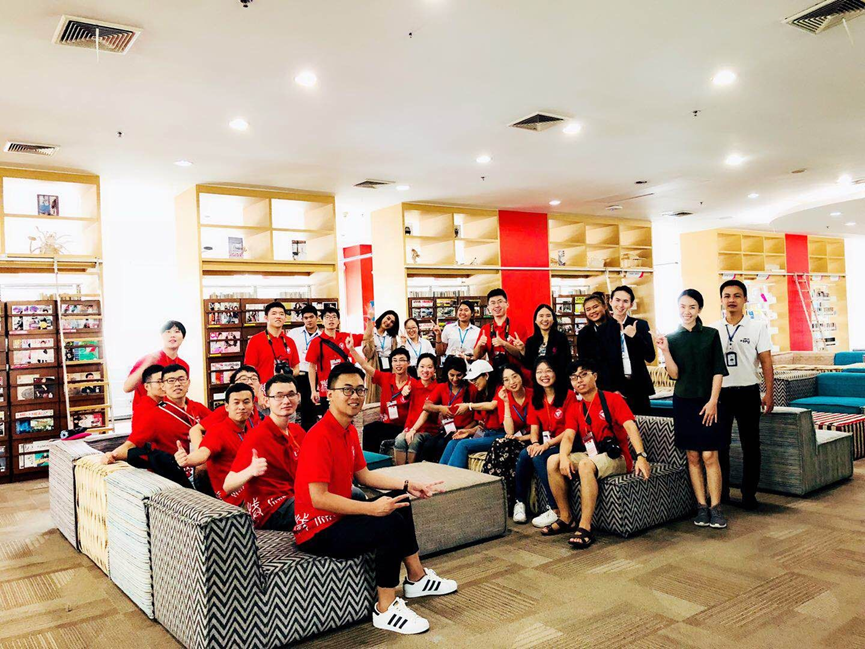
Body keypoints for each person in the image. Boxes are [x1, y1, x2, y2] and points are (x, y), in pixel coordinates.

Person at [293, 362, 457, 636]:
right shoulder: (319, 436)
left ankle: (416, 579)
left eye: (360, 390)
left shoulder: (347, 430)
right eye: (347, 390)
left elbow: (365, 476)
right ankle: (385, 608)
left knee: (400, 500)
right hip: (316, 530)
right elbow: (318, 499)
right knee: (388, 522)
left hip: (338, 518)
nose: (355, 396)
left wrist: (409, 484)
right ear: (329, 394)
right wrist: (370, 509)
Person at [544, 359, 651, 547]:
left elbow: (630, 427)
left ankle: (585, 526)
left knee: (585, 464)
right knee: (553, 460)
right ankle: (566, 517)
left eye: (583, 374)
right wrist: (563, 457)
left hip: (618, 457)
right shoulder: (576, 407)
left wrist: (641, 456)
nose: (579, 380)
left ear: (594, 376)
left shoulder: (612, 399)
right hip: (593, 455)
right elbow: (568, 436)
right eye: (574, 377)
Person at [656, 289, 729, 529]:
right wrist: (665, 350)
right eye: (683, 306)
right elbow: (675, 375)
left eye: (692, 307)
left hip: (708, 403)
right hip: (684, 402)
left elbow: (718, 370)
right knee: (693, 456)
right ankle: (701, 506)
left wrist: (713, 401)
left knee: (710, 455)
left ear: (699, 309)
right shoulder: (672, 338)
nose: (686, 312)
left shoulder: (711, 334)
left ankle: (716, 507)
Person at [710, 279, 774, 510]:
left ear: (745, 299)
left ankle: (749, 494)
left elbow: (766, 362)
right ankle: (723, 491)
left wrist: (769, 392)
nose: (732, 300)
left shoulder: (758, 327)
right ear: (721, 300)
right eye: (727, 296)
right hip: (721, 394)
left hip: (748, 392)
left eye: (737, 295)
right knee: (721, 445)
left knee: (751, 445)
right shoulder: (713, 329)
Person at [103, 364, 212, 487]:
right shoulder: (153, 415)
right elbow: (131, 443)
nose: (177, 384)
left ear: (188, 382)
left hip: (205, 468)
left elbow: (220, 427)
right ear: (163, 386)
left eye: (181, 379)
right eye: (171, 381)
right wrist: (112, 455)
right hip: (177, 475)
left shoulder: (198, 408)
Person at [221, 374, 307, 528]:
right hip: (271, 509)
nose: (286, 401)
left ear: (298, 397)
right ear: (267, 401)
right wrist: (251, 470)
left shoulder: (297, 431)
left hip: (295, 497)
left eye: (291, 395)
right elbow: (228, 485)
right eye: (279, 396)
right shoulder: (257, 436)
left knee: (347, 495)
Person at [513, 358, 577, 528]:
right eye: (539, 372)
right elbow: (534, 427)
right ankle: (520, 502)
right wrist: (534, 443)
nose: (544, 375)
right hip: (546, 444)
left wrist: (546, 445)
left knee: (539, 457)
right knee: (525, 453)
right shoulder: (536, 397)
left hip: (567, 443)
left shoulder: (568, 395)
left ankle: (555, 509)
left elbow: (570, 429)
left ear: (556, 372)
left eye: (548, 370)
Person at [174, 383, 256, 503]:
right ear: (227, 407)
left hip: (254, 488)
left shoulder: (252, 425)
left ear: (253, 405)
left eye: (246, 402)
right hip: (236, 499)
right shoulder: (218, 431)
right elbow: (203, 453)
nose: (242, 407)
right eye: (236, 403)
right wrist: (187, 460)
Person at [439, 360, 514, 469]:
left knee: (463, 445)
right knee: (453, 442)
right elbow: (481, 426)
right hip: (485, 433)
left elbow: (492, 405)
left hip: (500, 435)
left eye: (475, 379)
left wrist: (469, 406)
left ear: (486, 375)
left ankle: (453, 477)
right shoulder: (481, 394)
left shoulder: (500, 389)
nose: (473, 382)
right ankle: (440, 473)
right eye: (472, 380)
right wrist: (469, 431)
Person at [597, 286, 656, 415]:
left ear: (631, 304)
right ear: (610, 301)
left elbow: (650, 356)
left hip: (638, 386)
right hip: (615, 388)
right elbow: (601, 363)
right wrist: (611, 389)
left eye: (625, 301)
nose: (620, 305)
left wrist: (635, 336)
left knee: (642, 423)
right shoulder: (603, 329)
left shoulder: (640, 325)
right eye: (617, 300)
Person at [351, 347, 415, 453]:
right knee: (369, 429)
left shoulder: (413, 384)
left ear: (408, 363)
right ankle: (369, 460)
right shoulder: (386, 378)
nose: (398, 364)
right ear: (391, 363)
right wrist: (352, 350)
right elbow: (365, 366)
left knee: (376, 432)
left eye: (402, 360)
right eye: (395, 360)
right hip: (386, 423)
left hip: (403, 426)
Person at [305, 305, 365, 416]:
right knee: (328, 418)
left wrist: (370, 321)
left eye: (334, 317)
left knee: (347, 416)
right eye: (327, 317)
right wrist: (313, 390)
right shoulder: (316, 342)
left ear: (338, 321)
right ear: (322, 321)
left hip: (346, 387)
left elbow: (366, 337)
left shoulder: (346, 337)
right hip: (326, 389)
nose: (331, 320)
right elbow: (312, 367)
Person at [415, 356, 475, 462]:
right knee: (428, 445)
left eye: (459, 375)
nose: (455, 379)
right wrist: (440, 408)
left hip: (464, 429)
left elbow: (478, 418)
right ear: (447, 373)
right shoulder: (442, 387)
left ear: (464, 374)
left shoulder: (471, 389)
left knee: (442, 445)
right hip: (446, 429)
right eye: (452, 375)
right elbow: (426, 406)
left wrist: (465, 430)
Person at [124, 320, 189, 413]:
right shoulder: (148, 359)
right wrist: (146, 364)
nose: (172, 335)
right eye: (168, 332)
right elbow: (127, 388)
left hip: (171, 414)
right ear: (161, 337)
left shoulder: (184, 365)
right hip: (147, 413)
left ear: (183, 337)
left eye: (177, 331)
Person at [394, 353, 440, 463]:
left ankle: (412, 470)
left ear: (434, 370)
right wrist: (404, 394)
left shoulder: (438, 388)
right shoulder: (413, 385)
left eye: (429, 367)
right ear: (417, 368)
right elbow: (402, 401)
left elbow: (427, 412)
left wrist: (413, 430)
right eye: (422, 366)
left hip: (428, 430)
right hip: (410, 427)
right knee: (399, 439)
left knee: (414, 441)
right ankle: (399, 470)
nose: (425, 370)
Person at [243, 301, 301, 387]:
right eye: (274, 313)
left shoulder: (290, 341)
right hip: (264, 389)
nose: (278, 316)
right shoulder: (255, 340)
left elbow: (297, 369)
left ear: (285, 318)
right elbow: (249, 370)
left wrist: (289, 372)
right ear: (266, 317)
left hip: (286, 389)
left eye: (281, 314)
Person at [473, 289, 529, 374]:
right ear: (488, 308)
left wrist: (504, 344)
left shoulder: (519, 327)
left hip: (515, 374)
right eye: (493, 303)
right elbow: (476, 356)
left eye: (500, 302)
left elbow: (522, 356)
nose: (496, 306)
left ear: (507, 304)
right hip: (493, 373)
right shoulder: (485, 329)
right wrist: (479, 345)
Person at [288, 304, 322, 429]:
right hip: (296, 373)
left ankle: (308, 432)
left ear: (317, 318)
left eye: (311, 317)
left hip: (312, 374)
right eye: (306, 318)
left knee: (309, 406)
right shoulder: (294, 333)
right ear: (302, 319)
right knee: (291, 402)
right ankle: (291, 429)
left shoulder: (322, 336)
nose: (308, 320)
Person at [519, 303, 573, 378]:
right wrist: (522, 350)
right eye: (541, 316)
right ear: (535, 320)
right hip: (538, 380)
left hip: (558, 379)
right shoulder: (531, 341)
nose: (545, 319)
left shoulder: (561, 338)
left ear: (553, 320)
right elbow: (528, 365)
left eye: (548, 316)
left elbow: (566, 362)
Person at [576, 293, 610, 387]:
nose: (592, 311)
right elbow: (584, 362)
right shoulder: (583, 334)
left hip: (619, 382)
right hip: (596, 383)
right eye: (588, 309)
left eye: (595, 307)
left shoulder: (616, 327)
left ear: (605, 306)